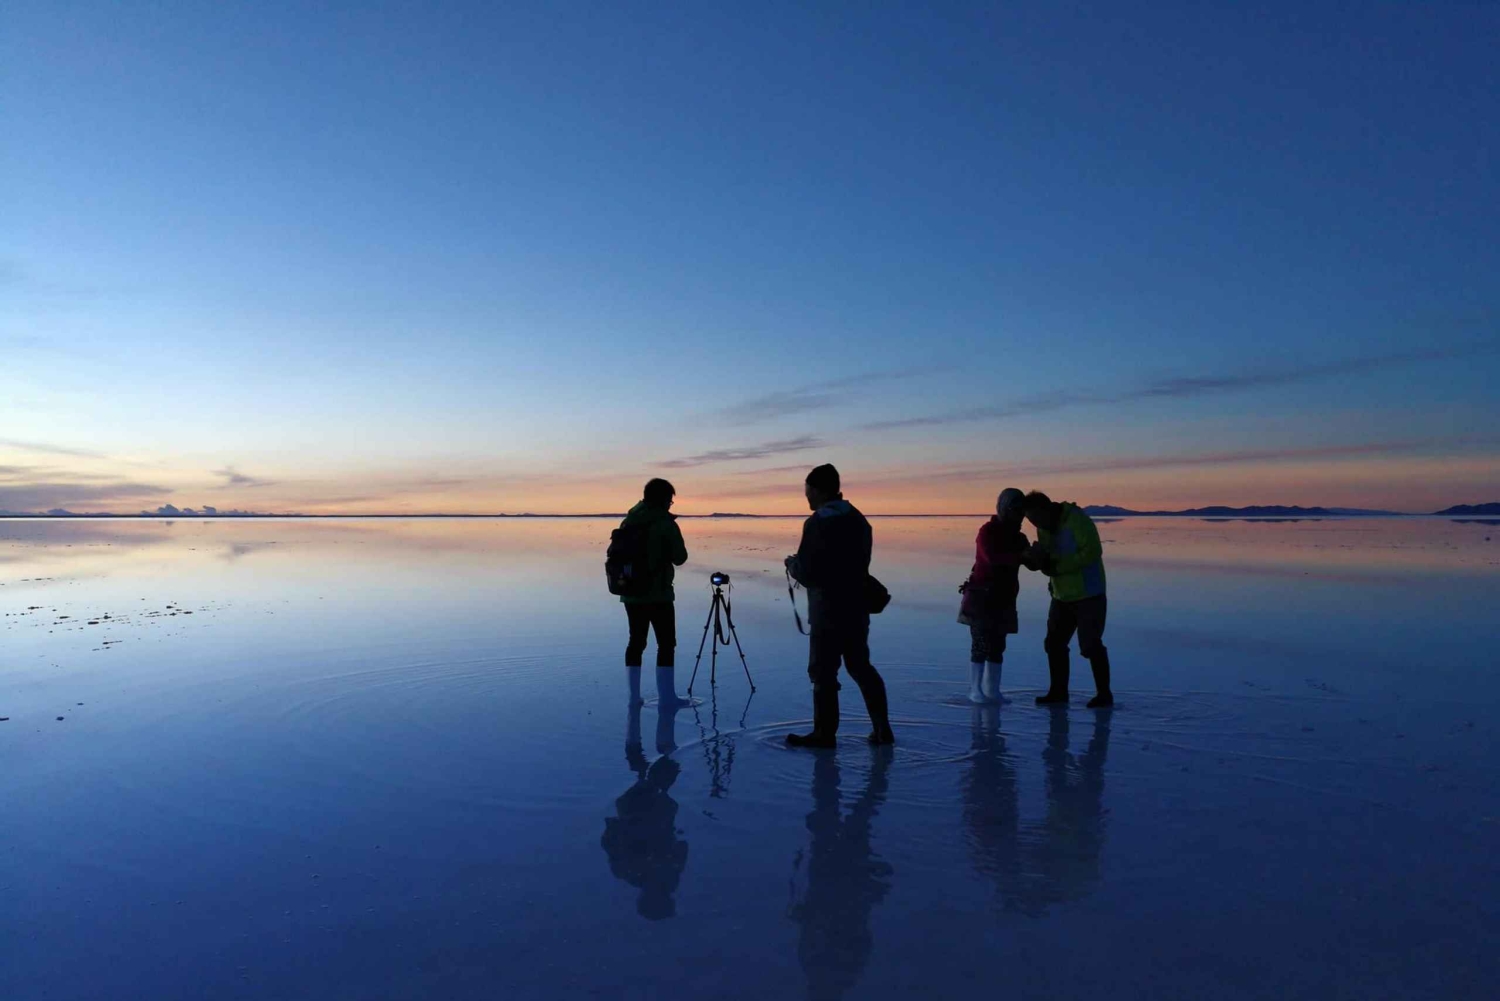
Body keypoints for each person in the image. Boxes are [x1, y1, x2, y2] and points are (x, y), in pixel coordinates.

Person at [784, 464, 894, 747]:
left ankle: (824, 734)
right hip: (857, 607)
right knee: (860, 665)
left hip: (827, 610)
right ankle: (882, 729)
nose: (806, 498)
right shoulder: (858, 519)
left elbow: (808, 573)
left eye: (808, 492)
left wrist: (792, 565)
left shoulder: (818, 522)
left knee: (823, 672)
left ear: (819, 490)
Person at [1022, 490, 1114, 707]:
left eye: (1035, 518)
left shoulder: (1077, 520)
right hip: (1061, 596)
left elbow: (1092, 551)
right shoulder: (1043, 527)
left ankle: (1104, 694)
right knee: (1054, 644)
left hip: (1089, 595)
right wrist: (1036, 562)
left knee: (1091, 645)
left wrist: (1057, 567)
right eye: (1030, 520)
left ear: (1046, 509)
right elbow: (1049, 558)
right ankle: (1058, 692)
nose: (1034, 524)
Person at [619, 478, 690, 707]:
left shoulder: (629, 520)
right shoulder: (665, 524)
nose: (671, 504)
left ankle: (633, 696)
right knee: (666, 644)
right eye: (669, 500)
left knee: (636, 642)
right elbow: (680, 558)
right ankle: (667, 697)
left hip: (631, 593)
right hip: (659, 594)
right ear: (663, 500)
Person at [960, 487, 1030, 703]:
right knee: (980, 644)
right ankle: (975, 690)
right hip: (982, 598)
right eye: (1015, 510)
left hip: (1005, 598)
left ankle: (992, 690)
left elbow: (1032, 563)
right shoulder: (987, 531)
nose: (1020, 515)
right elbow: (991, 557)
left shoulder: (1019, 537)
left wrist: (1038, 556)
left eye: (1022, 511)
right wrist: (1021, 556)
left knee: (998, 646)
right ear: (1004, 508)